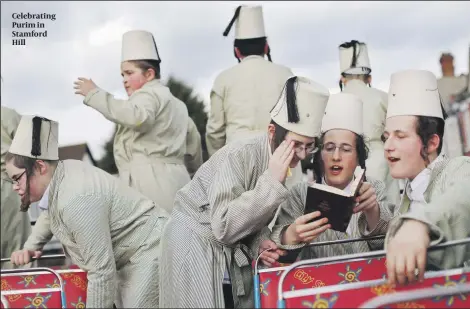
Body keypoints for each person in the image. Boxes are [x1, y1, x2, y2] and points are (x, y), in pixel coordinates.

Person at [159, 76, 330, 308]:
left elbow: (246, 218)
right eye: (295, 144)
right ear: (272, 131)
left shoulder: (279, 163)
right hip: (192, 240)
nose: (301, 155)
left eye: (309, 146)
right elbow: (223, 226)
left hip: (219, 246)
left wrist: (259, 241)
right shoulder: (241, 154)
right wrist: (271, 182)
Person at [7, 115, 166, 308]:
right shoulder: (63, 176)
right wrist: (31, 246)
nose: (15, 187)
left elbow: (101, 271)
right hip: (134, 254)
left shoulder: (76, 198)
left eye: (17, 178)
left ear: (40, 166)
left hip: (148, 251)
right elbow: (50, 214)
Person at [257, 93, 395, 266]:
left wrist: (372, 211)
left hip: (368, 285)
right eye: (329, 148)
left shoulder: (374, 188)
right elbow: (277, 252)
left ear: (359, 156)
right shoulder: (300, 194)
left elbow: (388, 245)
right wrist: (291, 235)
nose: (336, 156)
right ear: (320, 155)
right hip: (319, 288)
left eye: (346, 149)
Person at [382, 69, 470, 285]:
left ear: (431, 143)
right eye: (386, 137)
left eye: (400, 136)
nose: (388, 146)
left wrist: (420, 224)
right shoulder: (407, 197)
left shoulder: (461, 168)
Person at [73, 30, 192, 214]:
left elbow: (137, 117)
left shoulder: (147, 95)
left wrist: (94, 94)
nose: (124, 80)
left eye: (129, 73)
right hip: (181, 185)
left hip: (148, 187)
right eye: (122, 75)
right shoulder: (179, 106)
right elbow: (193, 152)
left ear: (149, 74)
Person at [206, 6, 303, 187]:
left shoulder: (223, 79)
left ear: (237, 51)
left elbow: (214, 131)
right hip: (281, 155)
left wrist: (219, 163)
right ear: (266, 47)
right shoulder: (285, 74)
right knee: (287, 212)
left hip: (237, 157)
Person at [338, 40, 401, 205]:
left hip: (345, 159)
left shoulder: (334, 101)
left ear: (342, 79)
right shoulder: (382, 97)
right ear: (369, 78)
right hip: (380, 157)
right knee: (386, 205)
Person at [0, 106, 32, 268]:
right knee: (17, 253)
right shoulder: (7, 115)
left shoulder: (7, 115)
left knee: (16, 253)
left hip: (9, 185)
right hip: (9, 188)